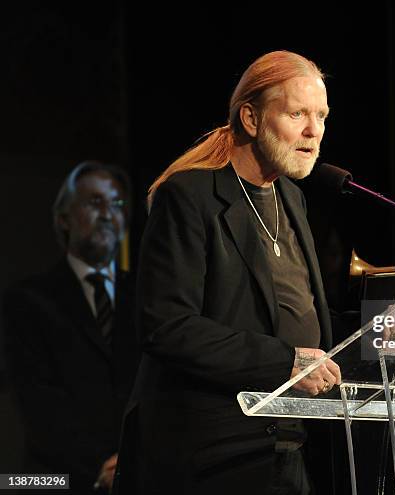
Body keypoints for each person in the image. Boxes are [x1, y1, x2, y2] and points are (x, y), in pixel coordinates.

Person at [113, 51, 341, 494]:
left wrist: (382, 335)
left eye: (322, 116)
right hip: (212, 458)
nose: (315, 132)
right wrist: (287, 362)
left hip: (289, 448)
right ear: (251, 118)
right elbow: (167, 326)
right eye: (298, 114)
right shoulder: (190, 195)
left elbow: (295, 314)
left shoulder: (292, 200)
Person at [2, 161, 141, 493]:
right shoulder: (27, 300)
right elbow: (38, 402)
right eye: (95, 202)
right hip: (57, 480)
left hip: (140, 474)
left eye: (117, 204)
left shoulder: (148, 295)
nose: (108, 213)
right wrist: (101, 466)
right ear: (64, 218)